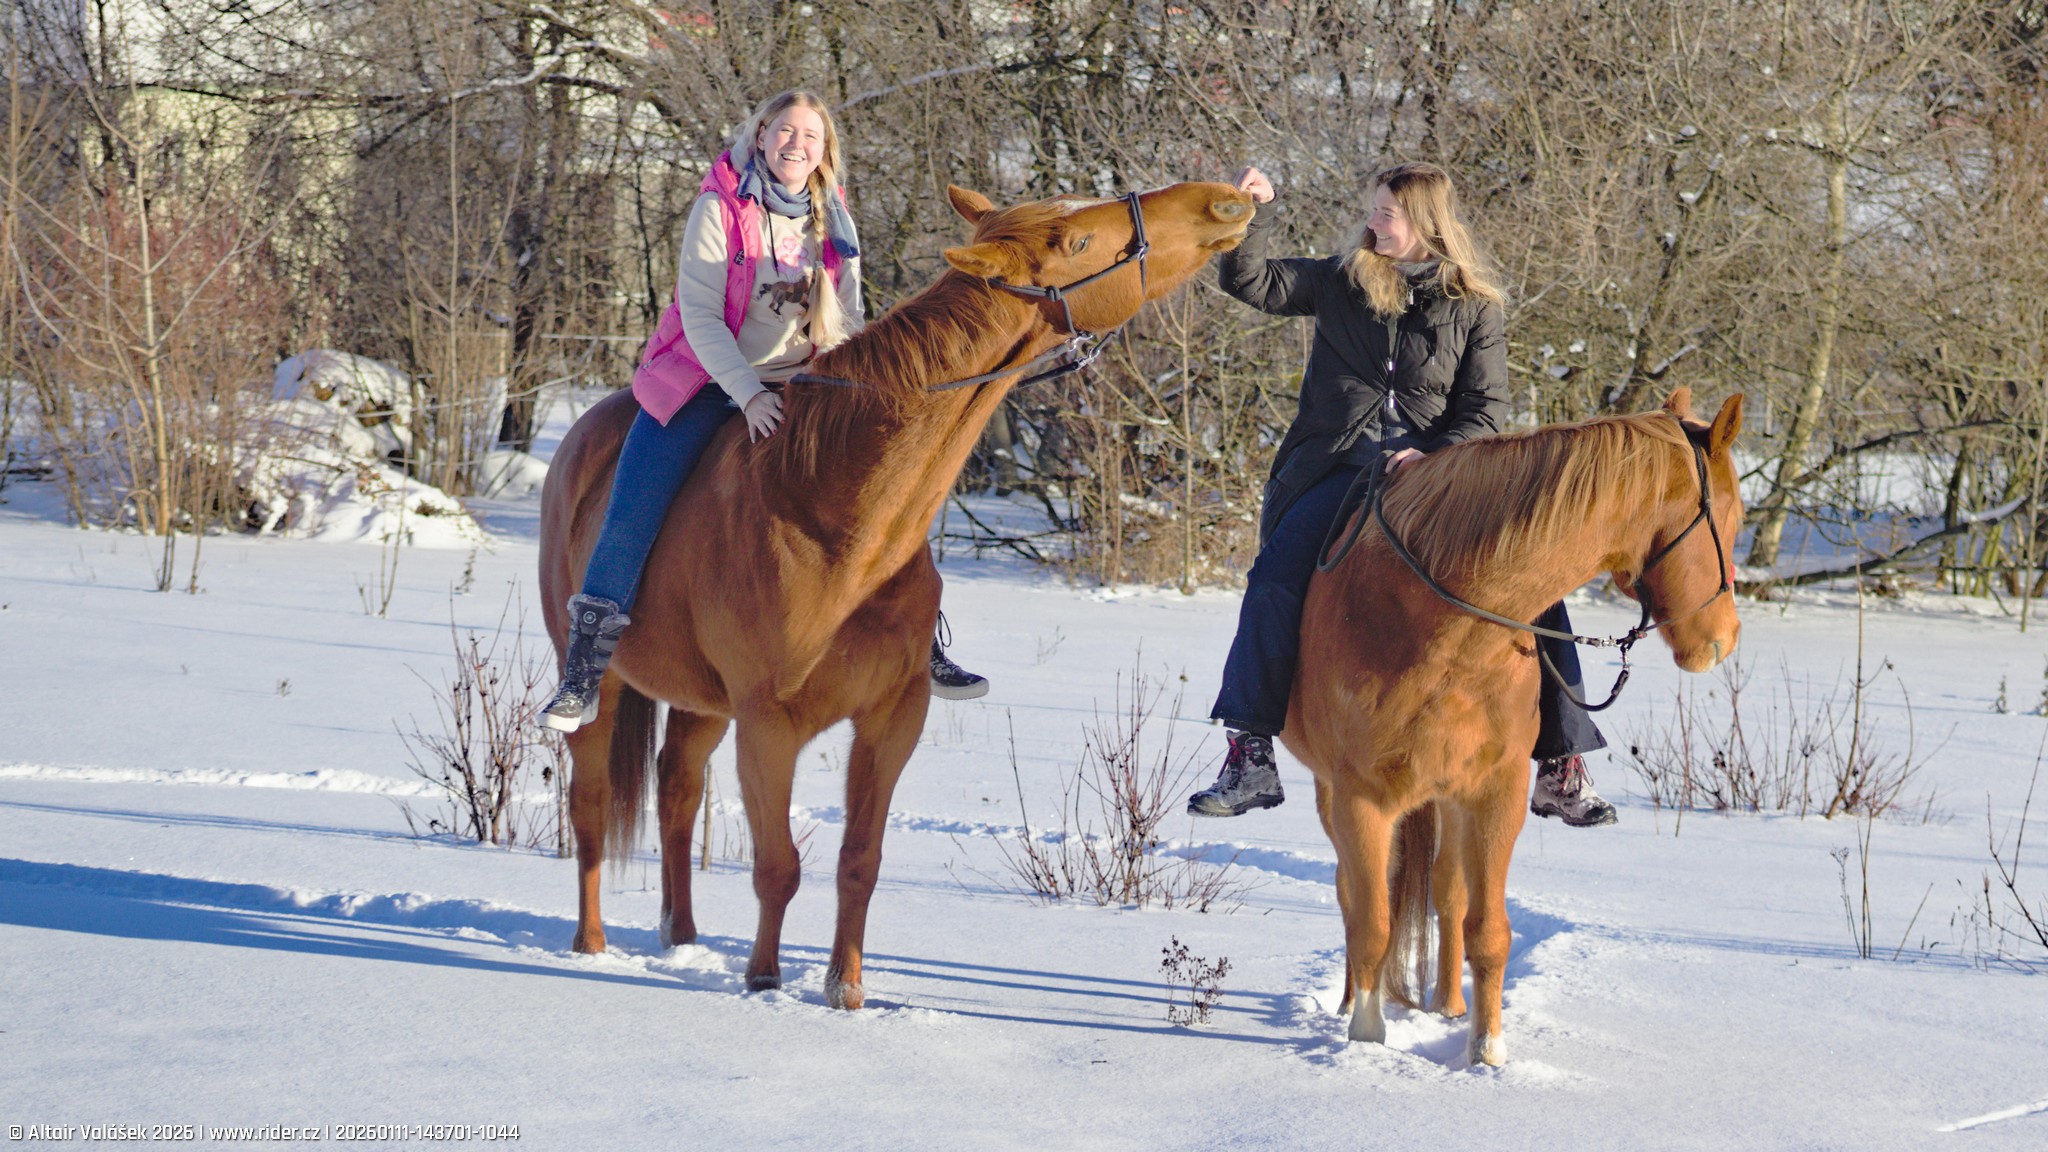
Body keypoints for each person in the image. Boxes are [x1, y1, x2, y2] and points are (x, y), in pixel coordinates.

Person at [1185, 161, 1616, 827]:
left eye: (1386, 212)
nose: (1373, 222)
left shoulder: (1475, 306)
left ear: (1424, 222)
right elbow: (1252, 281)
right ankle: (1250, 756)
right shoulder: (1340, 280)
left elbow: (1486, 409)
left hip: (1436, 480)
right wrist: (1252, 211)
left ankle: (1562, 764)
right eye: (1375, 209)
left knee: (1534, 583)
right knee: (1273, 578)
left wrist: (1435, 455)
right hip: (1337, 469)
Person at [541, 91, 986, 733]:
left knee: (886, 487)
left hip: (805, 384)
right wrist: (749, 394)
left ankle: (924, 640)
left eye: (810, 135)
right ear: (760, 136)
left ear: (824, 150)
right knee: (633, 505)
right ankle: (583, 672)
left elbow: (848, 318)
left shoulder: (834, 218)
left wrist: (839, 390)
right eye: (785, 131)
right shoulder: (719, 207)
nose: (796, 144)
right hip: (707, 380)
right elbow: (700, 316)